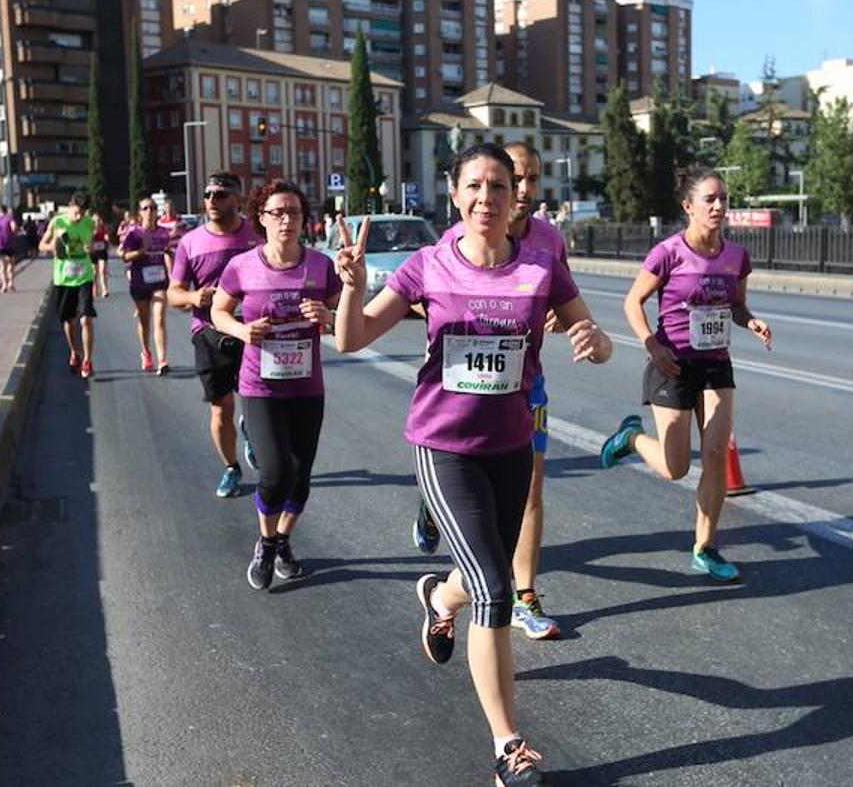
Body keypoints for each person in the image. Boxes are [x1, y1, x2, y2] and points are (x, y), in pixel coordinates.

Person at [335, 142, 612, 786]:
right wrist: (351, 289)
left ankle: (438, 593)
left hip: (511, 446)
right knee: (496, 587)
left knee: (475, 573)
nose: (487, 197)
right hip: (444, 444)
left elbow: (590, 339)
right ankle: (507, 748)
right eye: (474, 187)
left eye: (499, 186)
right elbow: (350, 338)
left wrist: (596, 343)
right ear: (454, 195)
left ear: (516, 195)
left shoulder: (541, 263)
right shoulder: (427, 265)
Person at [413, 142, 570, 641]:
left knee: (533, 485)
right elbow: (429, 296)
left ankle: (524, 593)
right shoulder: (463, 233)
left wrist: (565, 323)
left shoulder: (549, 243)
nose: (521, 190)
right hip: (457, 396)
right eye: (514, 178)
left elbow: (567, 306)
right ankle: (437, 500)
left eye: (530, 179)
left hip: (525, 385)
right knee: (484, 561)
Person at [600, 166, 773, 582]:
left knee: (715, 455)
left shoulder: (736, 256)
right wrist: (652, 346)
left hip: (716, 364)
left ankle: (706, 547)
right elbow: (633, 303)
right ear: (688, 206)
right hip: (672, 363)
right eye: (710, 199)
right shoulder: (668, 253)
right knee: (676, 467)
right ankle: (632, 437)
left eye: (724, 199)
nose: (718, 206)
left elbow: (736, 305)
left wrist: (750, 322)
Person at [209, 180, 341, 590]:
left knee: (301, 476)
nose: (286, 220)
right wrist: (242, 330)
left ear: (305, 220)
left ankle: (281, 539)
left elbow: (345, 315)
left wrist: (328, 315)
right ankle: (266, 543)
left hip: (306, 387)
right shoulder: (243, 266)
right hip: (259, 385)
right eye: (277, 213)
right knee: (274, 473)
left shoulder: (320, 266)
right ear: (261, 219)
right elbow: (218, 310)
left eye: (294, 213)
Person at [168, 173, 261, 497]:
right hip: (210, 334)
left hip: (253, 331)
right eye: (207, 194)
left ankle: (252, 429)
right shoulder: (190, 242)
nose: (211, 200)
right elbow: (173, 293)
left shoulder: (256, 235)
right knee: (221, 408)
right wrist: (194, 298)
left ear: (238, 198)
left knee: (261, 401)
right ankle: (231, 468)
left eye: (220, 194)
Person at [39, 192, 98, 378]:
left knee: (86, 319)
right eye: (76, 212)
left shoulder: (89, 223)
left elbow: (91, 244)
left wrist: (90, 248)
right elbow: (42, 245)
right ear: (70, 205)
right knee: (69, 321)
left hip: (84, 276)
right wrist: (55, 249)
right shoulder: (58, 222)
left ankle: (88, 361)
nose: (79, 216)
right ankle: (74, 351)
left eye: (82, 213)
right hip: (64, 278)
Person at [120, 196, 172, 375]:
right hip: (139, 282)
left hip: (159, 282)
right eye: (145, 208)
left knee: (159, 319)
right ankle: (146, 352)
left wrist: (172, 275)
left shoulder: (164, 233)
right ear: (139, 212)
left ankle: (163, 360)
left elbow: (168, 253)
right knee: (145, 321)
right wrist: (142, 251)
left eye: (152, 208)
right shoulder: (133, 233)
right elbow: (124, 256)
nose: (149, 211)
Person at [89, 211, 110, 298]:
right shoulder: (90, 229)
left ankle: (105, 289)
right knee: (94, 273)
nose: (97, 222)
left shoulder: (103, 228)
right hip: (93, 252)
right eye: (95, 220)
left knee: (102, 271)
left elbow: (106, 237)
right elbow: (88, 240)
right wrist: (93, 235)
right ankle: (95, 289)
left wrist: (106, 239)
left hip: (102, 251)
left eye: (98, 220)